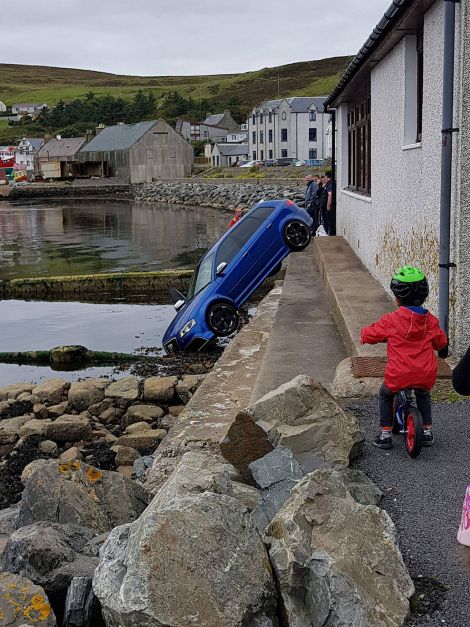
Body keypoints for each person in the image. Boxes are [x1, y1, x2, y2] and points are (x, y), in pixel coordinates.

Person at [360, 266, 448, 450]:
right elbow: (441, 342)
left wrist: (364, 335)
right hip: (424, 373)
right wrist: (441, 349)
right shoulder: (430, 321)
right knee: (423, 394)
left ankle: (385, 435)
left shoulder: (391, 320)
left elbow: (371, 334)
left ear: (397, 298)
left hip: (398, 374)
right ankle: (426, 432)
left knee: (385, 395)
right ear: (424, 296)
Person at [320, 170, 333, 235]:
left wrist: (328, 206)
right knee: (326, 223)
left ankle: (329, 236)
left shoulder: (330, 184)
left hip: (327, 208)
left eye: (325, 176)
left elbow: (330, 195)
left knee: (328, 223)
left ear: (327, 176)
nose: (324, 178)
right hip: (325, 207)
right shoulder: (328, 184)